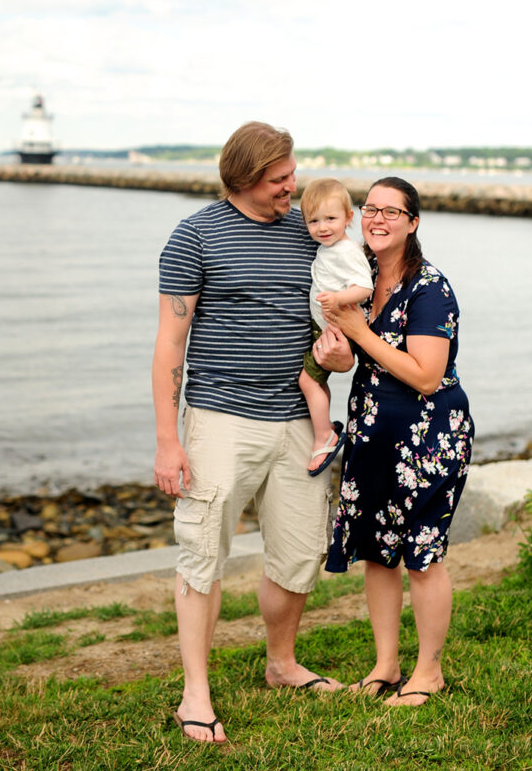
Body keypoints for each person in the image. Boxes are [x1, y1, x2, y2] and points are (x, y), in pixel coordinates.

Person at [152, 121, 354, 743]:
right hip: (217, 421)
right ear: (242, 180)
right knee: (202, 553)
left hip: (299, 422)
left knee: (297, 553)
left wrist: (340, 357)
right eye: (279, 180)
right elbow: (169, 348)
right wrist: (168, 440)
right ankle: (195, 693)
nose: (292, 189)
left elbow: (340, 315)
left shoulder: (309, 231)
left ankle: (282, 663)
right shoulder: (196, 236)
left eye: (292, 174)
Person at [322, 176, 474, 706]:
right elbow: (350, 359)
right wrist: (335, 353)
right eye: (370, 208)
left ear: (412, 222)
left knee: (421, 554)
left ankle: (427, 671)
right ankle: (386, 665)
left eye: (391, 211)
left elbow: (427, 375)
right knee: (377, 551)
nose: (377, 218)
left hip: (430, 438)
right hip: (372, 431)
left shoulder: (431, 288)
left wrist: (361, 335)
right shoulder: (355, 276)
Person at [299, 179, 373, 476]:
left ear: (348, 218)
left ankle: (324, 436)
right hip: (327, 327)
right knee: (317, 382)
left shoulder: (345, 250)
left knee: (307, 381)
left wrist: (339, 298)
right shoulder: (330, 248)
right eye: (313, 221)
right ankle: (324, 426)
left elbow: (364, 287)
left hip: (335, 330)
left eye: (330, 219)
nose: (322, 227)